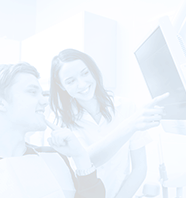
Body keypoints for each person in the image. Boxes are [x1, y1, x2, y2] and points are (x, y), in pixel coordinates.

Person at [49, 48, 169, 198]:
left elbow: (140, 168)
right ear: (61, 86)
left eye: (85, 73)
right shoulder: (59, 120)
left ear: (93, 71)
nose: (81, 84)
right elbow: (87, 160)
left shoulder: (126, 107)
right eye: (70, 81)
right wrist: (129, 126)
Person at [0, 62, 105, 198]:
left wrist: (80, 156)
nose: (45, 101)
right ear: (1, 103)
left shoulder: (54, 157)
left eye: (42, 93)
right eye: (32, 92)